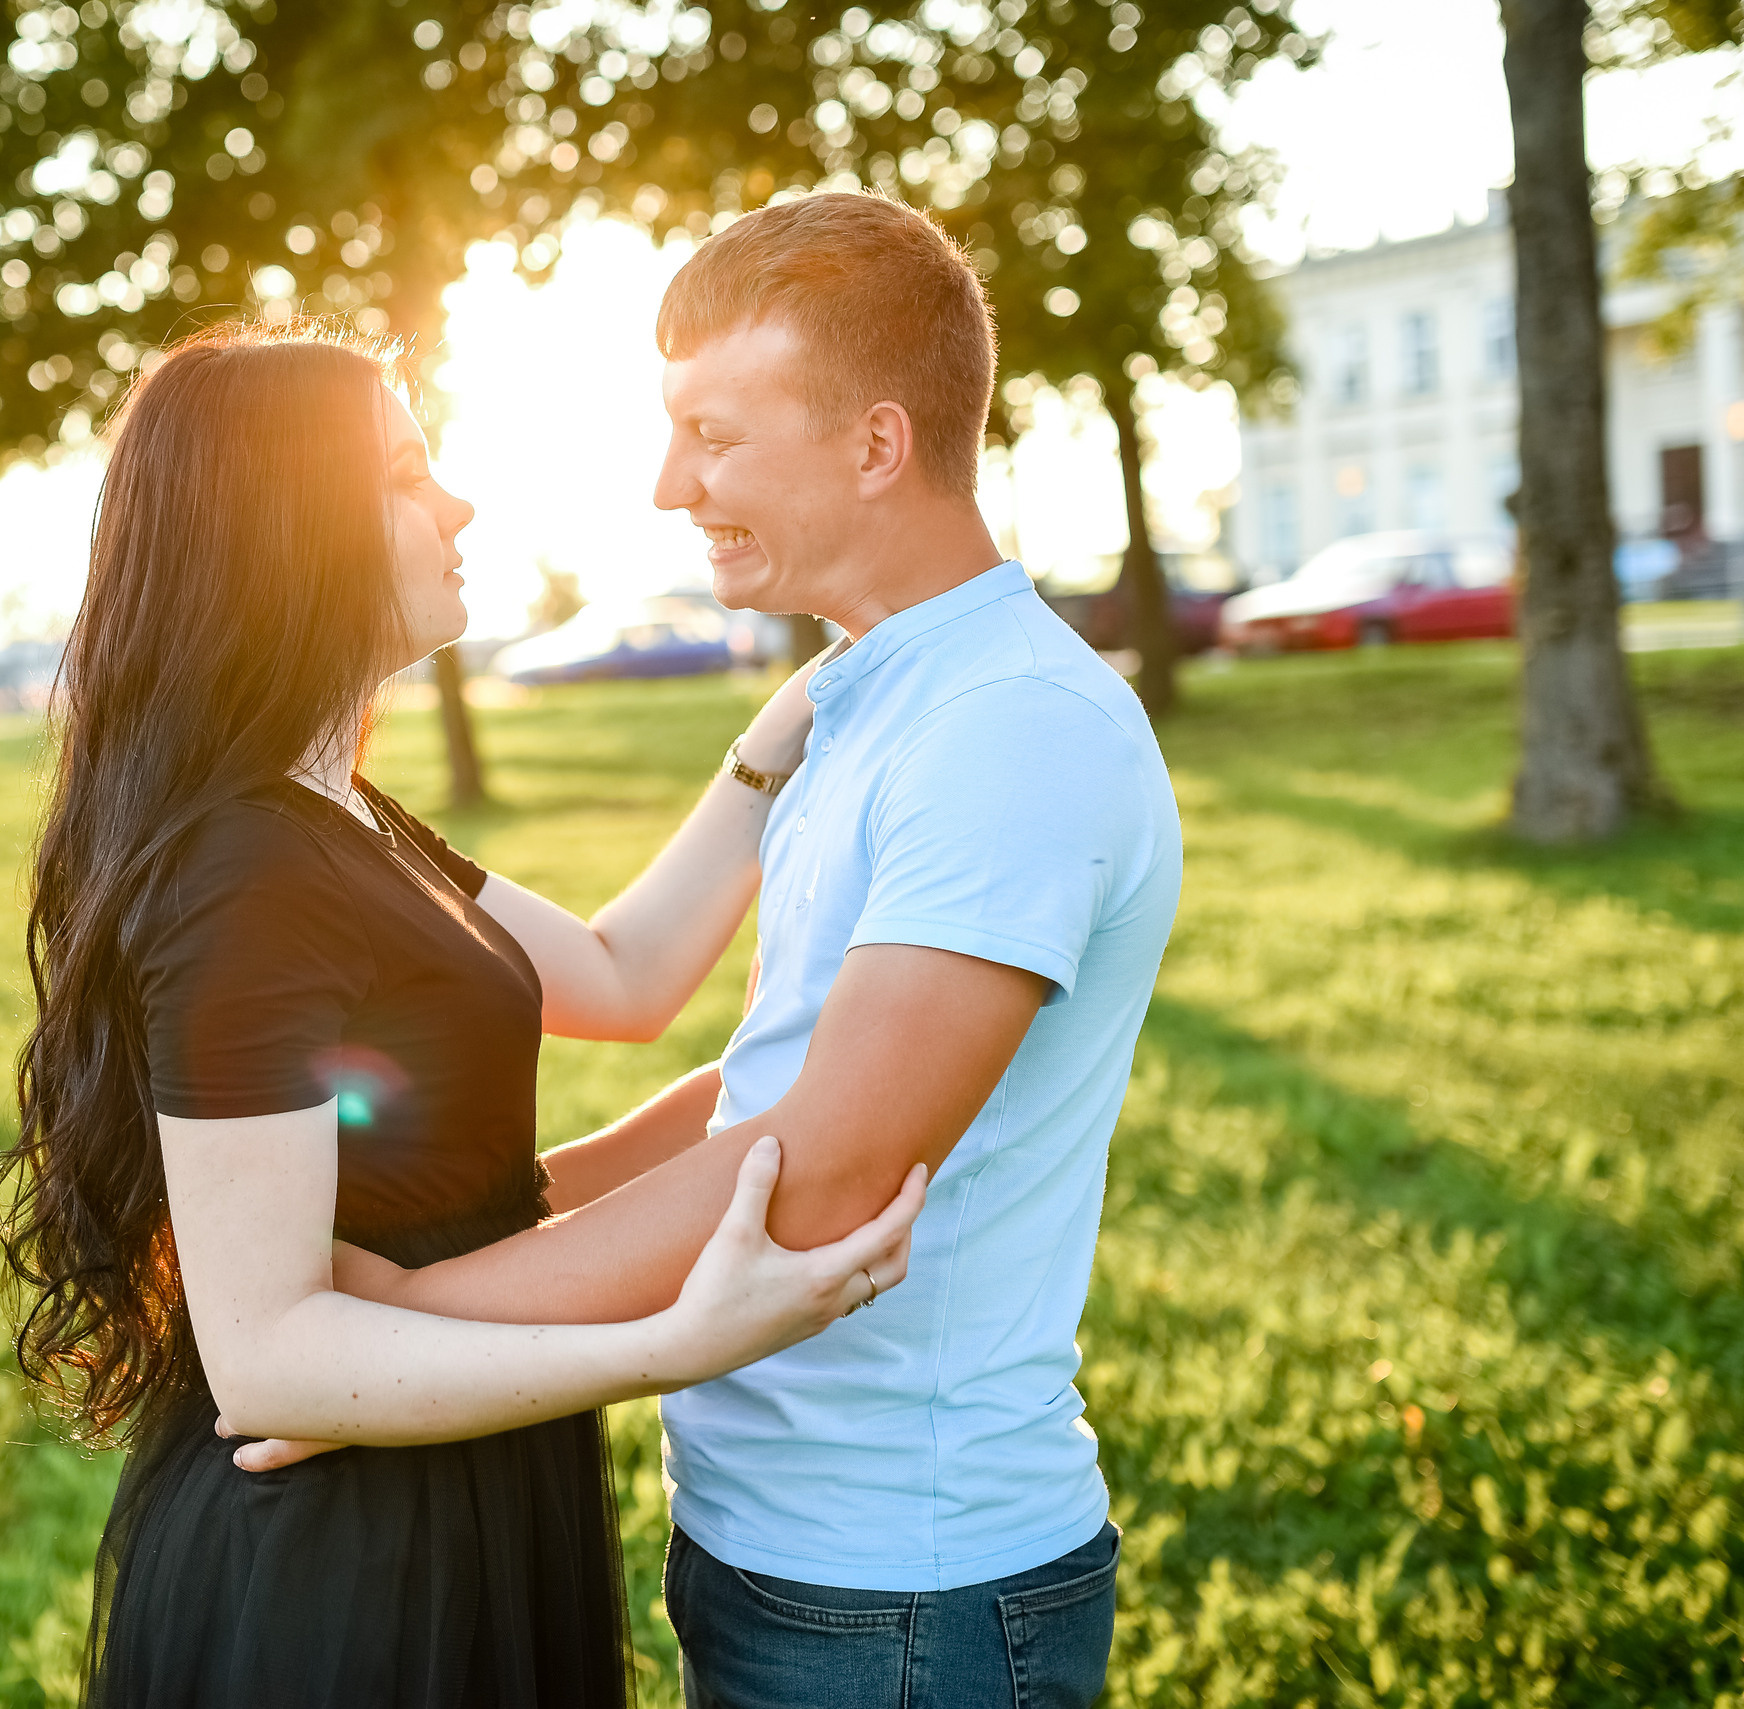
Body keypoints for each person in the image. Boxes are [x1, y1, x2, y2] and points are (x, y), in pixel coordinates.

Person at [295, 192, 1183, 1708]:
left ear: (877, 444)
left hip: (910, 1594)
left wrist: (393, 1330)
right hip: (782, 1551)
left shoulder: (1009, 729)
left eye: (713, 436)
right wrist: (488, 1234)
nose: (668, 485)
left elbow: (825, 1167)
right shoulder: (870, 698)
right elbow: (767, 1079)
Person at [0, 321, 930, 1709]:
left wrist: (784, 728)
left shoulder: (343, 815)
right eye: (406, 475)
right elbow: (269, 1357)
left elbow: (620, 976)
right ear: (287, 530)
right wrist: (674, 1343)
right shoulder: (245, 869)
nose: (462, 505)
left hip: (450, 1482)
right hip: (346, 1567)